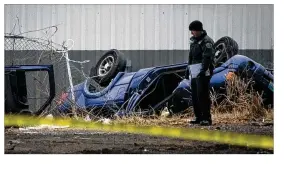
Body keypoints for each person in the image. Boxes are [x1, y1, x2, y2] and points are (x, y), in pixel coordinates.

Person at [187, 20, 215, 126]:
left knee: (202, 94)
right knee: (195, 94)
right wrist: (188, 70)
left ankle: (206, 118)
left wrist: (203, 71)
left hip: (203, 72)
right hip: (194, 71)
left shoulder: (207, 41)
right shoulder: (194, 41)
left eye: (193, 31)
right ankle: (198, 117)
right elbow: (191, 56)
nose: (191, 33)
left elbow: (207, 58)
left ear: (198, 30)